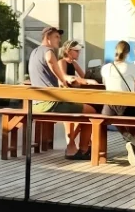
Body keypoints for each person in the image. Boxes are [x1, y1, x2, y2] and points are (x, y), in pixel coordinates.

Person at [30, 27, 98, 160]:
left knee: (75, 109)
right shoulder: (48, 51)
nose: (59, 40)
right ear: (47, 37)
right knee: (92, 111)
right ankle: (83, 149)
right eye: (56, 37)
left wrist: (64, 79)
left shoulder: (34, 52)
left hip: (36, 103)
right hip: (50, 102)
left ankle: (73, 145)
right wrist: (63, 79)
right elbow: (51, 61)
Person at [100, 41, 135, 166]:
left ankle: (130, 139)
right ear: (128, 53)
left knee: (111, 117)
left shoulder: (106, 68)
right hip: (127, 105)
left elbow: (106, 84)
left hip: (109, 107)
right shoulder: (131, 67)